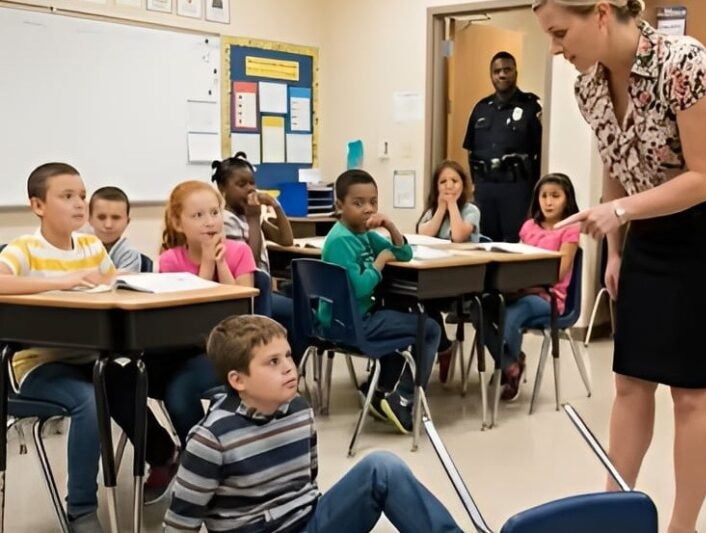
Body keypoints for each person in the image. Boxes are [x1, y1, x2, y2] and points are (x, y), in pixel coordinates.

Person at [532, 2, 706, 532]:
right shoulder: (588, 86)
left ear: (602, 14)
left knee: (691, 389)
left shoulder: (683, 63)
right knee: (631, 380)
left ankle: (683, 526)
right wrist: (616, 248)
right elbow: (616, 159)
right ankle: (615, 509)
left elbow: (705, 176)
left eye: (562, 33)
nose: (556, 49)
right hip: (648, 228)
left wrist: (620, 212)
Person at [163, 315, 462, 533]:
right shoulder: (210, 438)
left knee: (382, 467)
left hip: (309, 523)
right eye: (272, 362)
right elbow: (180, 524)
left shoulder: (300, 411)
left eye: (288, 356)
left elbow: (307, 487)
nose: (289, 368)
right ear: (237, 380)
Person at [0, 163, 166, 532]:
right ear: (38, 205)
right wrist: (67, 279)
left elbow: (111, 284)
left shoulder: (90, 245)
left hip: (92, 358)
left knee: (130, 381)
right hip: (36, 366)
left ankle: (163, 457)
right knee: (89, 402)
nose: (79, 204)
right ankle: (80, 507)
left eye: (81, 196)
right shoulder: (24, 248)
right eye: (67, 196)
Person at [106, 180, 258, 503]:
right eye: (198, 215)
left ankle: (203, 468)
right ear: (178, 223)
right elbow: (184, 315)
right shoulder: (171, 259)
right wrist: (203, 265)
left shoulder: (239, 251)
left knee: (179, 394)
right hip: (176, 350)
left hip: (223, 351)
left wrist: (218, 264)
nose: (209, 221)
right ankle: (163, 455)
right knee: (116, 382)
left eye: (214, 213)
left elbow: (239, 309)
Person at [322, 169, 439, 434]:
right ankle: (403, 398)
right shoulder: (341, 240)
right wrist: (381, 260)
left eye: (373, 202)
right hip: (352, 324)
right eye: (358, 203)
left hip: (354, 318)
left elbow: (404, 253)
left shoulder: (362, 233)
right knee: (429, 328)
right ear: (340, 206)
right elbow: (361, 288)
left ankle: (380, 393)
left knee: (399, 312)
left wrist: (390, 226)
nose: (367, 209)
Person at [475, 173, 580, 401]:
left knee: (513, 314)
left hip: (547, 297)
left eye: (555, 196)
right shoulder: (529, 226)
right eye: (544, 196)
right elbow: (518, 260)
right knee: (478, 306)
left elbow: (558, 272)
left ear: (567, 199)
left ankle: (508, 370)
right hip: (518, 289)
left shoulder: (570, 229)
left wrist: (528, 286)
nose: (549, 202)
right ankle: (510, 363)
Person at [211, 151, 295, 338]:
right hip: (246, 293)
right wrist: (254, 219)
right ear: (222, 189)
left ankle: (289, 362)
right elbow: (251, 262)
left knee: (298, 307)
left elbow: (286, 240)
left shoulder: (249, 215)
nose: (250, 189)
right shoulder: (226, 221)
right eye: (241, 185)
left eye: (252, 183)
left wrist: (275, 205)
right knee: (295, 311)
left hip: (261, 292)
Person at [463, 51, 543, 242]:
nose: (502, 75)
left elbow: (540, 152)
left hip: (517, 189)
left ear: (515, 72)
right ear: (491, 75)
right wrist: (475, 185)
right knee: (484, 241)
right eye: (497, 71)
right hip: (485, 188)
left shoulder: (531, 107)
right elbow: (471, 149)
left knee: (514, 242)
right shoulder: (481, 108)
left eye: (507, 70)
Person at [416, 160, 481, 382]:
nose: (449, 186)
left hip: (463, 283)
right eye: (443, 182)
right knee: (419, 301)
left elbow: (459, 236)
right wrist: (441, 208)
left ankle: (442, 348)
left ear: (464, 185)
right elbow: (423, 234)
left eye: (454, 181)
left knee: (428, 300)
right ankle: (444, 346)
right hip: (435, 281)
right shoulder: (432, 211)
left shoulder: (471, 210)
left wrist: (452, 206)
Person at [87, 186, 142, 272]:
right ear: (89, 219)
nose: (108, 225)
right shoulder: (77, 249)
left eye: (116, 218)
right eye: (101, 217)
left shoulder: (129, 254)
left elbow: (121, 284)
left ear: (127, 221)